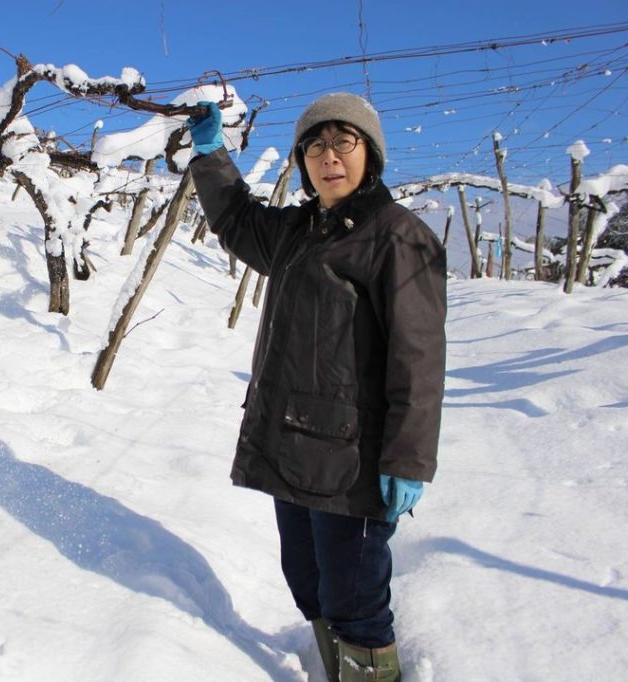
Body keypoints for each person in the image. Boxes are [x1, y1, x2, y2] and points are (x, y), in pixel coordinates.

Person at [187, 93, 446, 682]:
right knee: (308, 583)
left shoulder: (397, 237)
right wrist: (213, 155)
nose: (329, 157)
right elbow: (236, 220)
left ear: (370, 154)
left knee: (355, 603)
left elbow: (419, 357)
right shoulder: (297, 230)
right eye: (315, 145)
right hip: (291, 442)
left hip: (354, 462)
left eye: (343, 142)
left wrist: (407, 458)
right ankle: (333, 667)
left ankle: (368, 672)